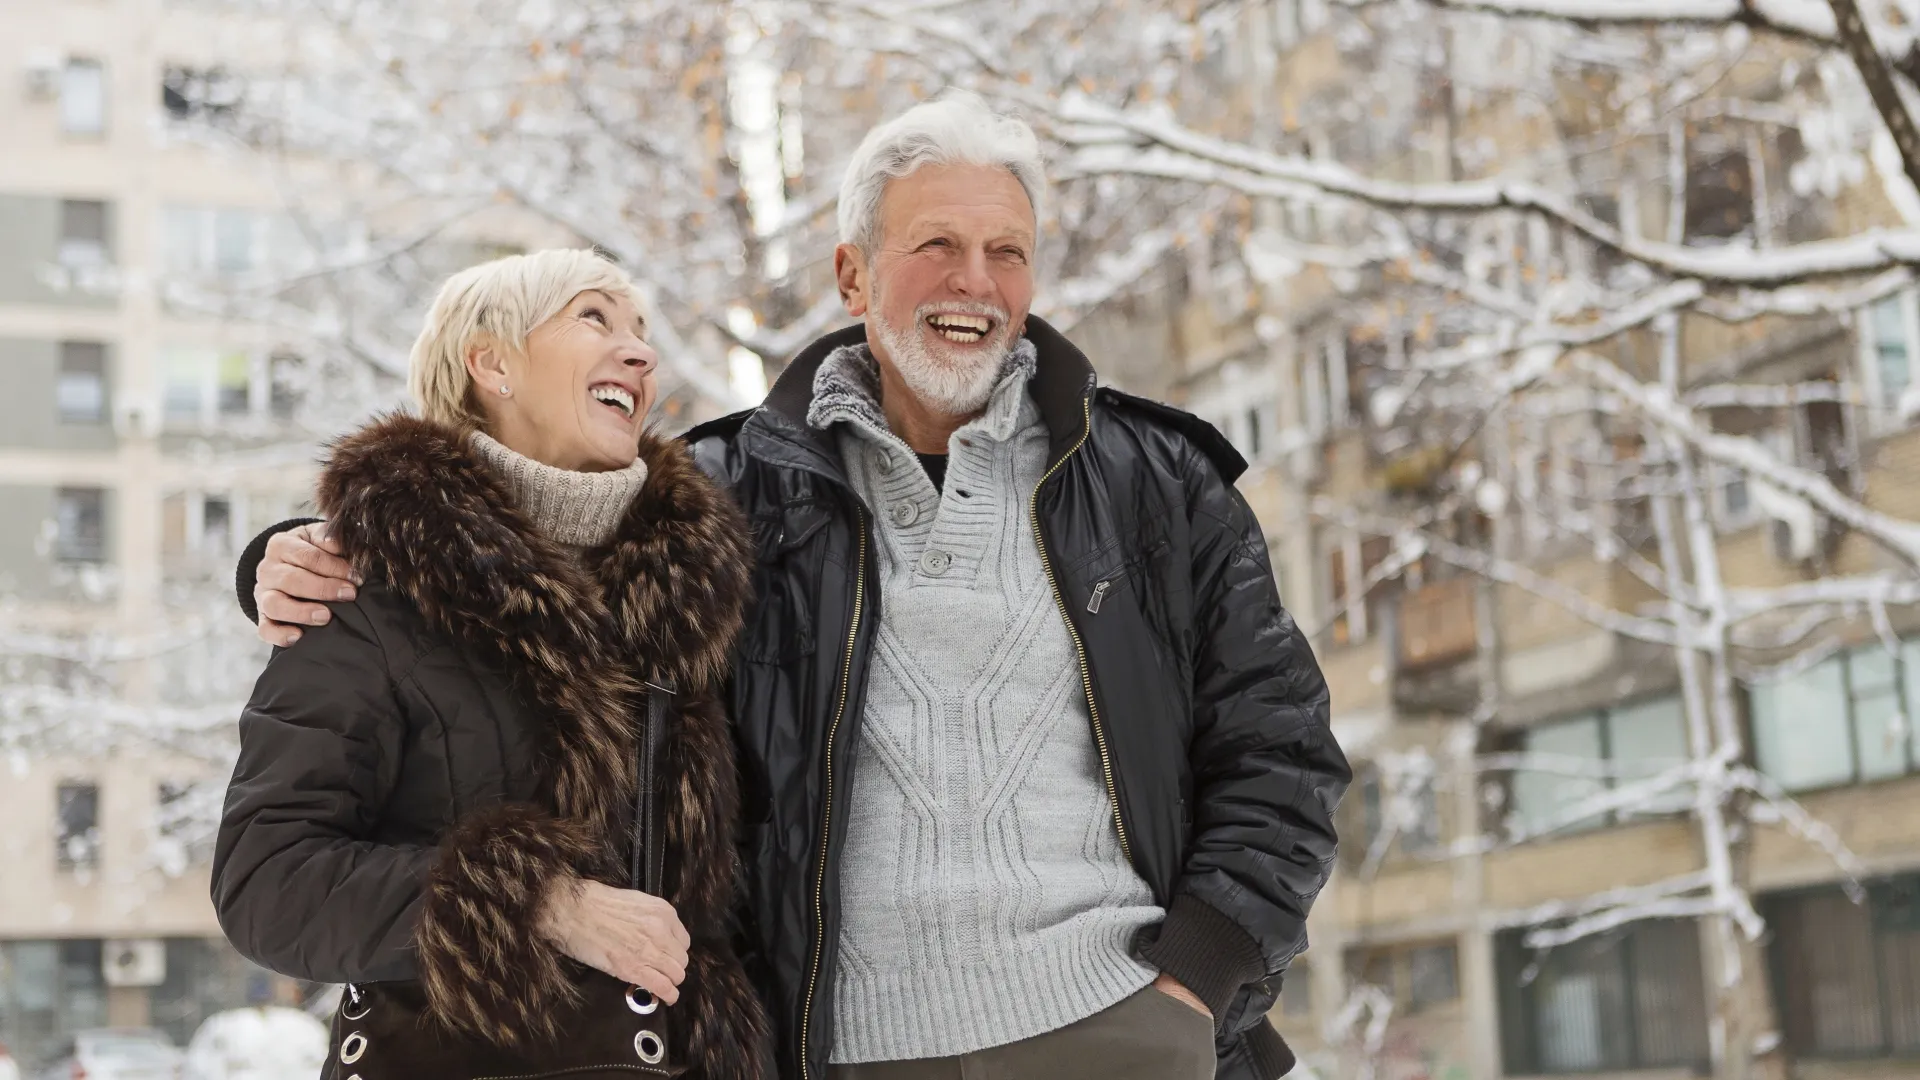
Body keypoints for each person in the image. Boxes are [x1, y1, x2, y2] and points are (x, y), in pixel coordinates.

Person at [240, 93, 1348, 1080]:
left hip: (1116, 1026)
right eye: (938, 245)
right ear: (853, 274)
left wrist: (1198, 981)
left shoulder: (1157, 485)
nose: (976, 282)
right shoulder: (735, 495)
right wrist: (296, 554)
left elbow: (1281, 747)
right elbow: (515, 534)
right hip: (841, 1045)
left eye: (1008, 251)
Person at [212, 249, 770, 1077]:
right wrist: (540, 902)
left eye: (643, 331)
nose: (642, 352)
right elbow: (268, 882)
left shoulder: (690, 602)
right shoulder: (367, 594)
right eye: (595, 318)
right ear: (492, 364)